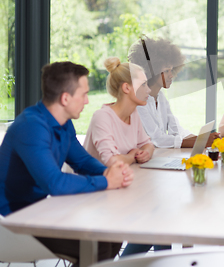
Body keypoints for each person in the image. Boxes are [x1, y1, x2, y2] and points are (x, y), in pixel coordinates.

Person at [0, 61, 133, 265]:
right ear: (65, 98)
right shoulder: (31, 127)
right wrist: (107, 182)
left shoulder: (63, 123)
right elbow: (55, 183)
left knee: (111, 237)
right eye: (84, 94)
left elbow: (82, 161)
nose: (87, 101)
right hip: (13, 222)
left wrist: (111, 171)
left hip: (40, 211)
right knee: (98, 246)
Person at [128, 37, 219, 148]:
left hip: (160, 157)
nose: (171, 75)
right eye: (166, 71)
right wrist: (201, 142)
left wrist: (203, 139)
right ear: (152, 71)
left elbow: (176, 130)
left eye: (172, 70)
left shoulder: (161, 97)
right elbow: (157, 139)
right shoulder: (139, 102)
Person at [84, 57, 155, 166]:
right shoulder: (102, 117)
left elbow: (147, 144)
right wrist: (132, 156)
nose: (148, 90)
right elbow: (112, 161)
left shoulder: (133, 114)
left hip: (118, 178)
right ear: (126, 88)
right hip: (93, 180)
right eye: (143, 84)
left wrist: (146, 153)